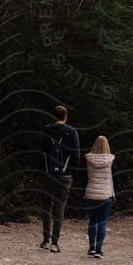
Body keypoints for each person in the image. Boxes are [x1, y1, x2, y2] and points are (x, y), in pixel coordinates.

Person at [38, 103, 81, 251]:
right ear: (65, 117)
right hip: (65, 174)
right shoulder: (71, 132)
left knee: (46, 206)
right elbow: (76, 154)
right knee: (59, 207)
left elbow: (40, 152)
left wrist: (41, 170)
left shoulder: (46, 130)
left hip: (48, 173)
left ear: (54, 116)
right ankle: (55, 243)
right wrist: (74, 173)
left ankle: (45, 240)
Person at [84, 134, 116, 258]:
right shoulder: (111, 160)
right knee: (102, 223)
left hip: (91, 194)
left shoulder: (88, 159)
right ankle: (98, 250)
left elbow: (83, 176)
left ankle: (91, 247)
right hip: (106, 195)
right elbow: (116, 177)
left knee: (93, 221)